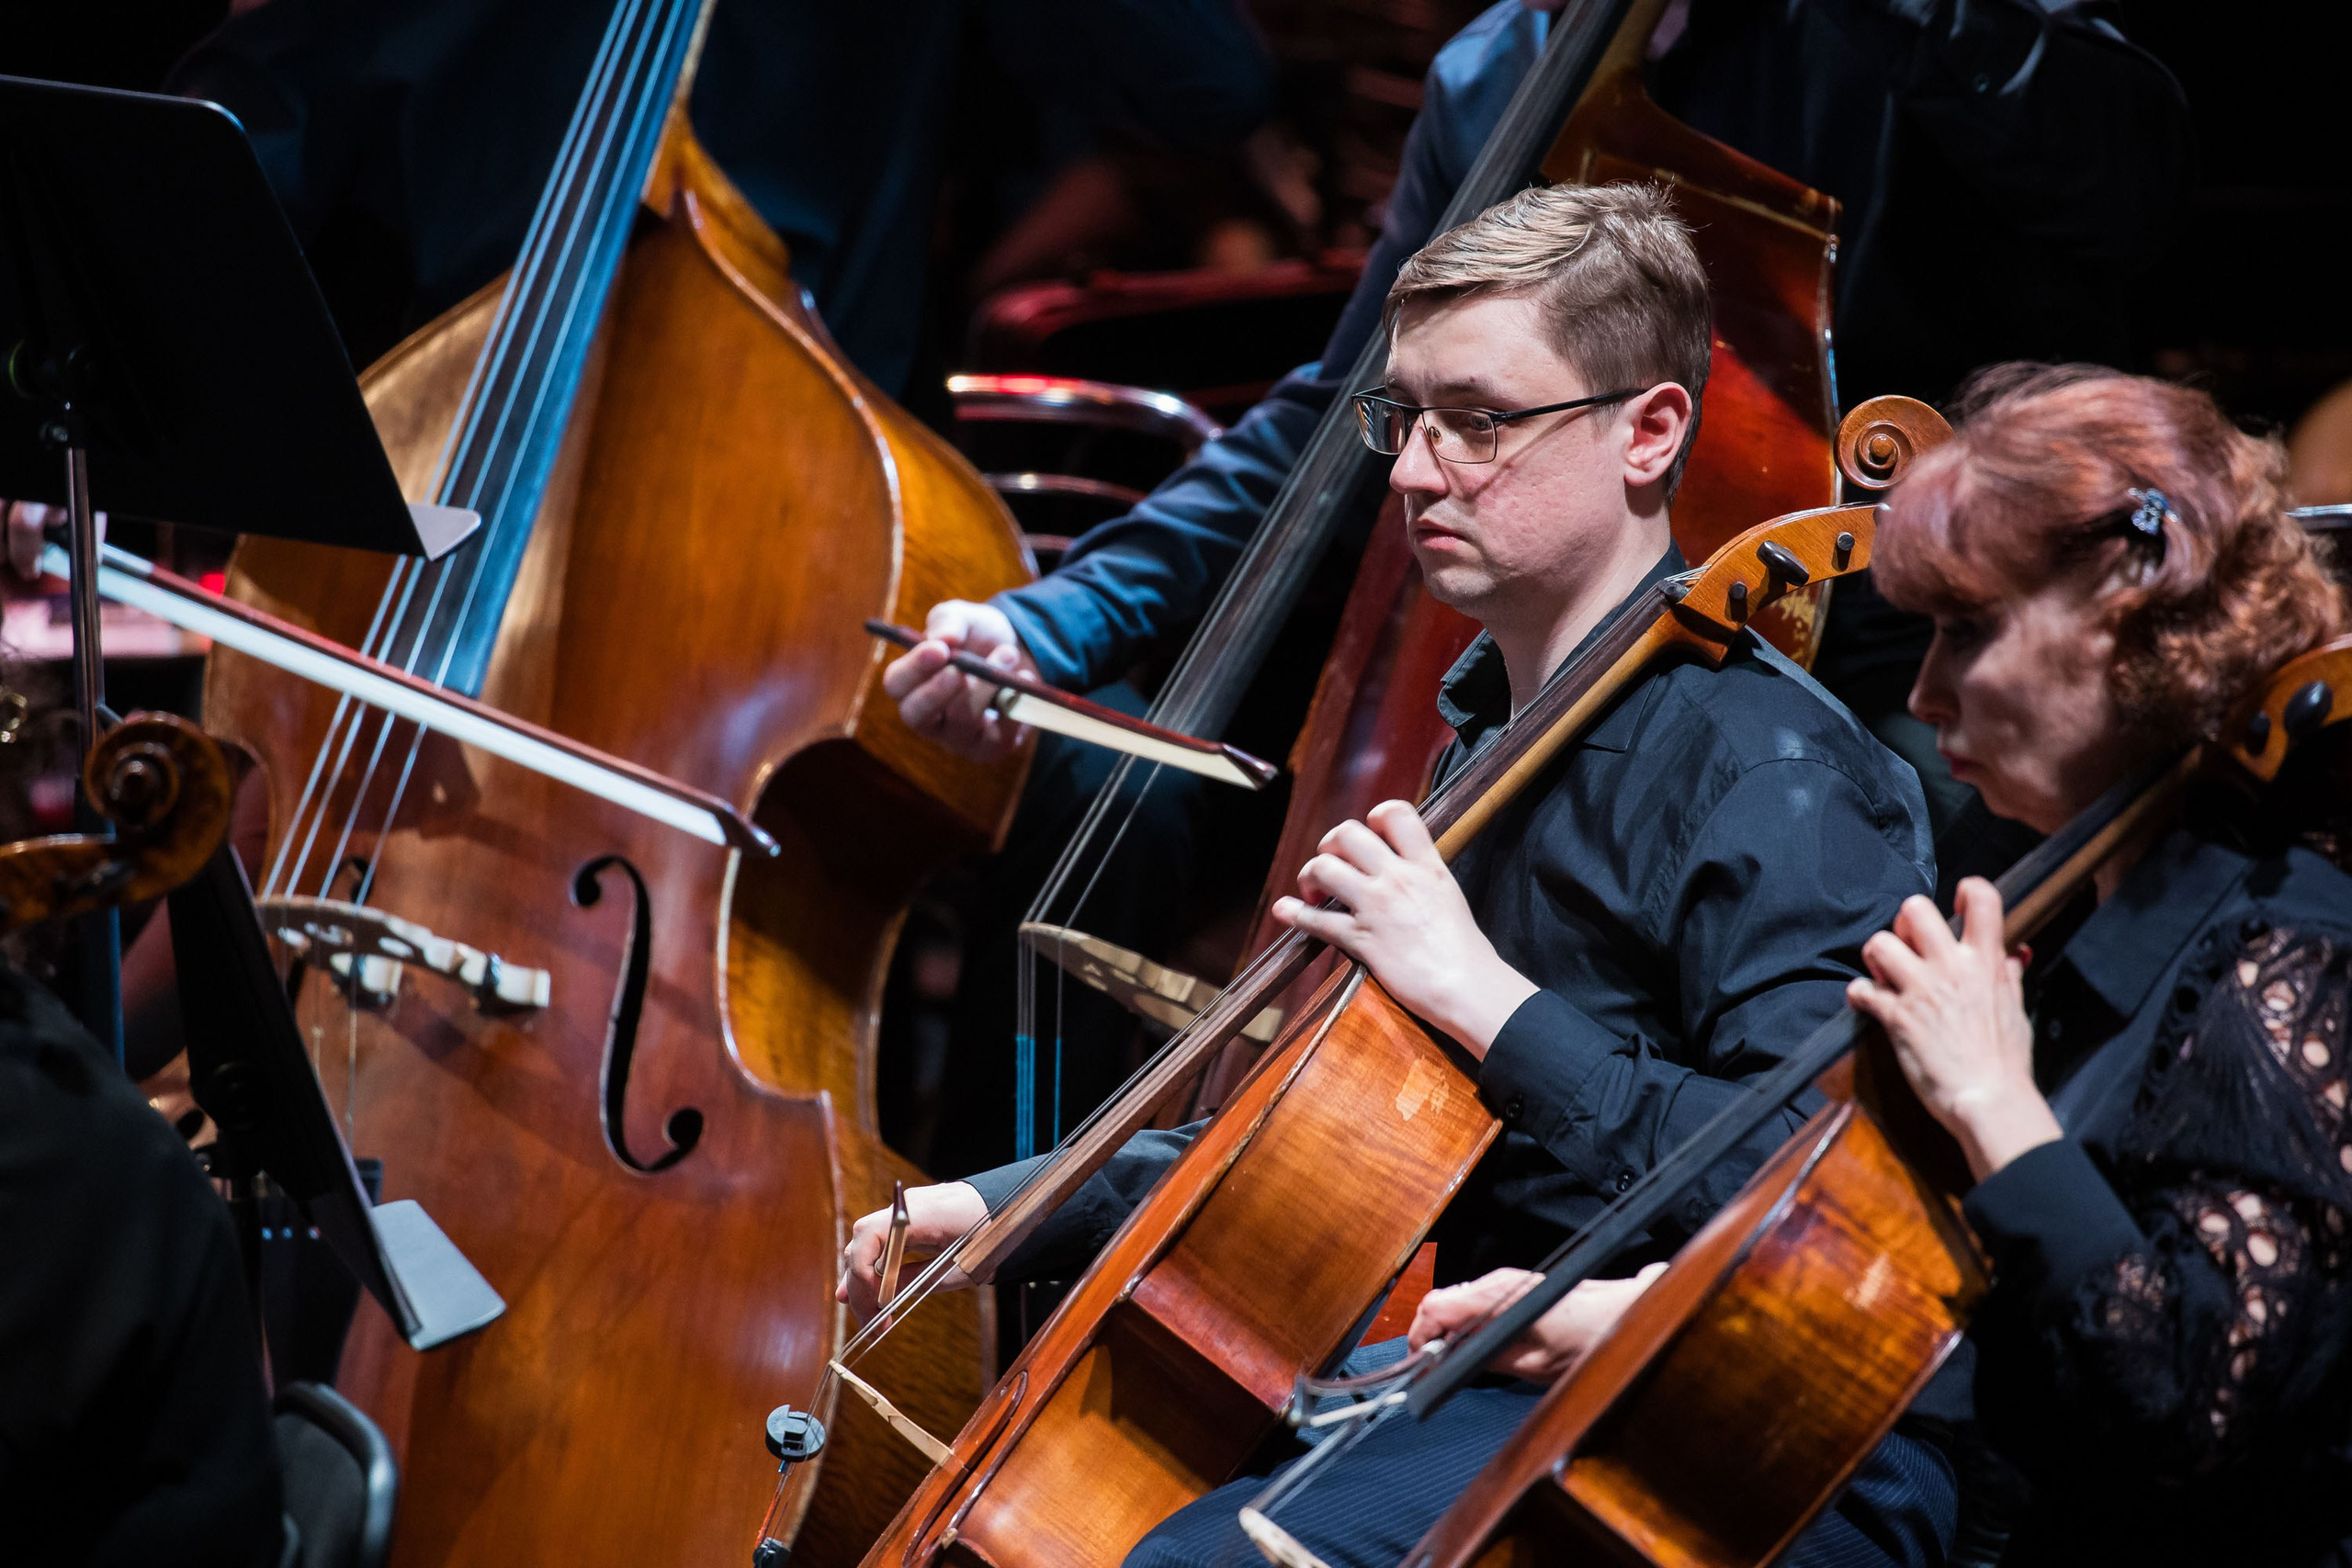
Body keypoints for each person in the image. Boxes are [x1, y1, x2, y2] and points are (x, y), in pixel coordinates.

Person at [888, 0, 2191, 1168]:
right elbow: (1341, 410)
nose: (1415, 470)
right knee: (1103, 790)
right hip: (1560, 650)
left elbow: (2133, 185)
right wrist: (1056, 619)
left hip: (1874, 647)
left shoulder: (1878, 44)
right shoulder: (1506, 61)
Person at [854, 182, 1951, 1568]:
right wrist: (977, 1205)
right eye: (1407, 420)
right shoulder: (1486, 737)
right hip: (1494, 1372)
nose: (1418, 471)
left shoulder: (1780, 774)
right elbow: (1325, 1151)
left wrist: (1485, 1000)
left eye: (1480, 422)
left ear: (1651, 430)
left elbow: (1824, 1209)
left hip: (1739, 1433)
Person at [1827, 364, 2352, 1562]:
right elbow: (1963, 1325)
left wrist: (1994, 1105)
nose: (1924, 693)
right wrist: (1635, 1315)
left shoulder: (2299, 952)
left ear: (2131, 594)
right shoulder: (2056, 903)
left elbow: (2181, 1412)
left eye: (1970, 630)